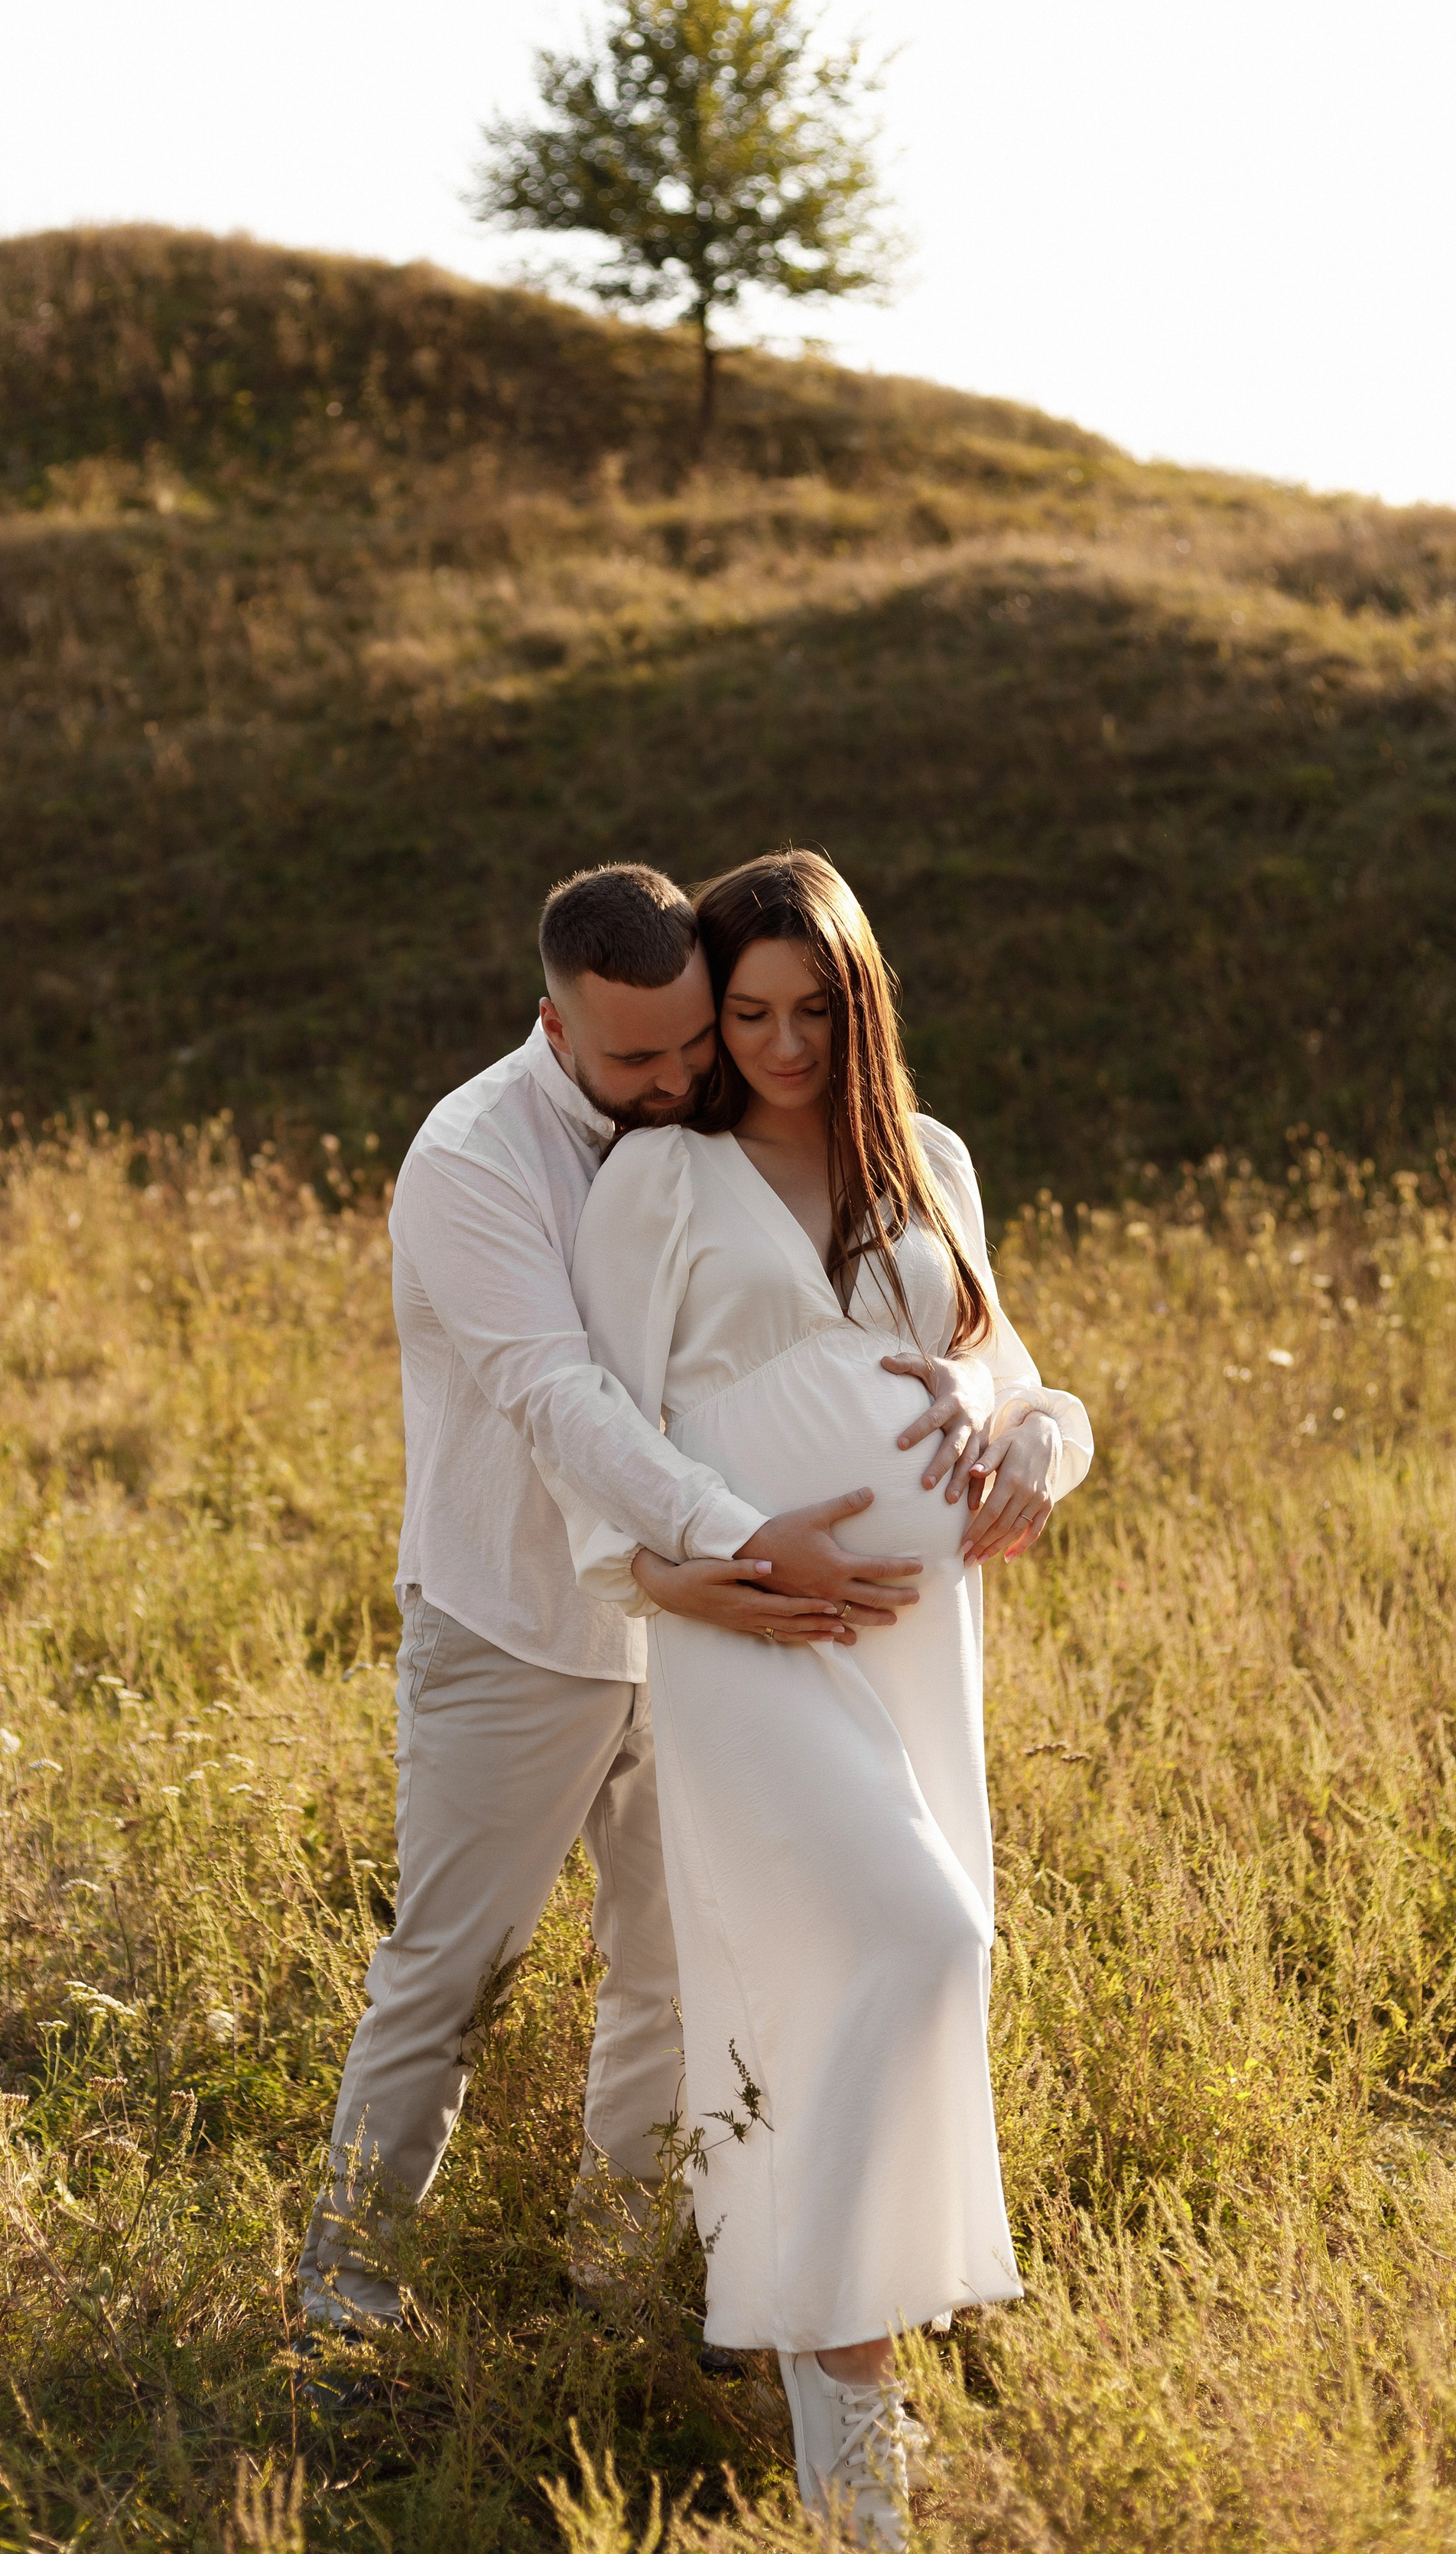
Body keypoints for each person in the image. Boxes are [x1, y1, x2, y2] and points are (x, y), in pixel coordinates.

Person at [294, 863, 993, 2349]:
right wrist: (744, 1545)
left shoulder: (697, 1127)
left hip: (702, 1638)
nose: (679, 1077)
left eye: (693, 1041)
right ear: (548, 1024)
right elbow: (569, 1402)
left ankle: (613, 2284)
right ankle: (340, 2315)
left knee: (669, 1975)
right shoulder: (473, 1160)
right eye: (636, 1057)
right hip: (520, 1627)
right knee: (450, 1974)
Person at [562, 851, 1094, 2546]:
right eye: (746, 1013)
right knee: (915, 1942)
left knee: (859, 1987)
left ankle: (850, 2464)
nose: (779, 1045)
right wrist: (671, 1572)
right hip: (753, 1642)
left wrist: (1038, 1440)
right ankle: (827, 2369)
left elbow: (1008, 1371)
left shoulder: (927, 1165)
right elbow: (597, 1420)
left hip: (918, 1640)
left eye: (812, 1010)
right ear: (709, 1016)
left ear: (858, 1005)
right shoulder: (659, 1179)